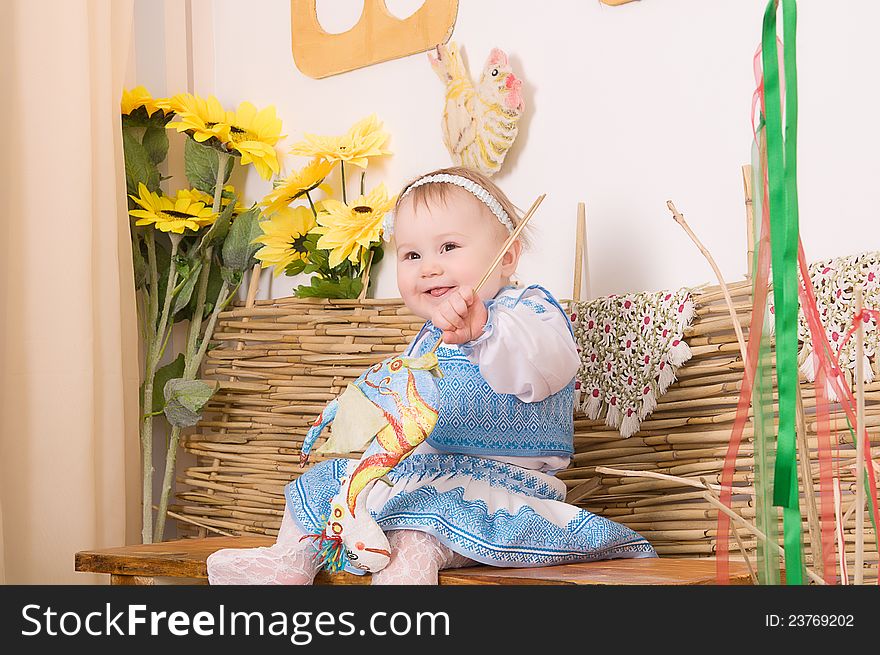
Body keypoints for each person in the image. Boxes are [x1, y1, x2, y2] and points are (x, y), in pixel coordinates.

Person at [207, 166, 655, 585]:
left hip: (494, 491)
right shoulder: (427, 338)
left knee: (416, 539)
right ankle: (291, 561)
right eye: (412, 254)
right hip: (419, 477)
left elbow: (546, 365)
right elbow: (405, 403)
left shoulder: (528, 313)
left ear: (508, 256)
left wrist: (485, 332)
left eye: (449, 247)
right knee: (324, 484)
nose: (429, 266)